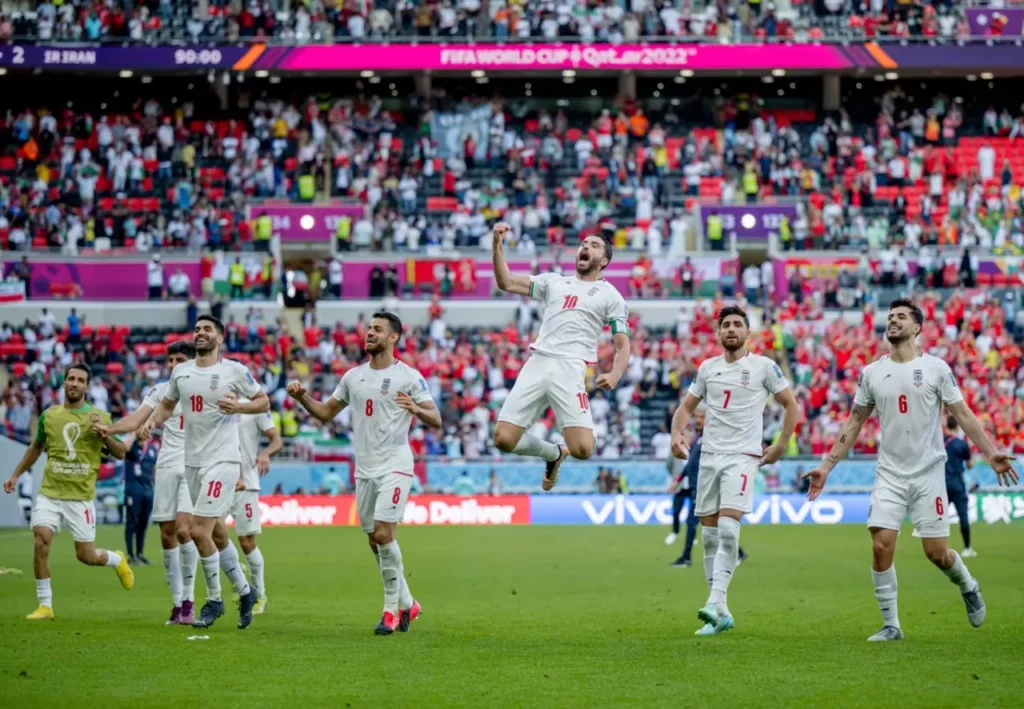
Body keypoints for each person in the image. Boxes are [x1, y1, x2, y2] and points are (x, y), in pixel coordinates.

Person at [803, 299, 1018, 642]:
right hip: (890, 472)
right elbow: (855, 421)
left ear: (917, 327)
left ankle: (967, 584)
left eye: (901, 317)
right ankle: (892, 625)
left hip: (929, 471)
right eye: (890, 317)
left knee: (936, 553)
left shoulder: (935, 368)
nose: (893, 321)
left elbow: (962, 413)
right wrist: (827, 466)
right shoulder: (872, 372)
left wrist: (990, 453)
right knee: (881, 544)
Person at [287, 312, 441, 635]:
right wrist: (303, 398)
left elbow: (436, 418)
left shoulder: (410, 377)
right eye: (369, 328)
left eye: (377, 329)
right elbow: (326, 413)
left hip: (396, 464)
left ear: (394, 337)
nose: (369, 333)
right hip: (365, 469)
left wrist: (416, 409)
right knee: (375, 540)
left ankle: (389, 613)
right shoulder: (353, 377)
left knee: (385, 534)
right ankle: (408, 603)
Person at [670, 305, 799, 636]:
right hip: (710, 457)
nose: (731, 329)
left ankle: (714, 602)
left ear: (747, 333)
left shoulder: (764, 368)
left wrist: (781, 443)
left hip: (742, 456)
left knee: (728, 529)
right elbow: (686, 408)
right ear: (718, 333)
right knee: (710, 537)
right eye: (725, 324)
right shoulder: (708, 368)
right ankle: (721, 612)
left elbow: (790, 405)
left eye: (737, 325)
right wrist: (676, 435)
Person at [140, 315, 271, 630]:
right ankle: (245, 590)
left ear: (220, 338)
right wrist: (152, 421)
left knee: (196, 531)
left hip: (223, 461)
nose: (200, 333)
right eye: (197, 329)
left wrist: (239, 407)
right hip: (193, 462)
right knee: (215, 533)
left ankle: (214, 600)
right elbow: (168, 405)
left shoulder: (234, 371)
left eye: (207, 329)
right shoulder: (181, 372)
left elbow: (263, 400)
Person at [490, 222, 631, 490]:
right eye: (583, 244)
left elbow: (623, 345)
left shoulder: (611, 296)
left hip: (570, 368)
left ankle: (565, 451)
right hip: (538, 362)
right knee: (503, 439)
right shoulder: (553, 282)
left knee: (582, 449)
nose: (585, 247)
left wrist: (615, 373)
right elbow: (505, 281)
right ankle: (553, 454)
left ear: (604, 261)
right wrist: (496, 245)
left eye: (594, 245)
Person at [3, 363, 134, 619]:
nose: (74, 383)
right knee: (41, 539)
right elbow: (35, 448)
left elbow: (121, 452)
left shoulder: (100, 416)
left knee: (86, 556)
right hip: (50, 493)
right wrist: (16, 475)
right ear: (64, 383)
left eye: (80, 380)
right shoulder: (49, 415)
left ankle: (117, 560)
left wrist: (104, 435)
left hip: (80, 498)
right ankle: (45, 605)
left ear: (87, 386)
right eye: (71, 379)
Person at [94, 340, 199, 625]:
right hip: (166, 465)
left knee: (184, 530)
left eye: (179, 359)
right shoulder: (158, 391)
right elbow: (137, 419)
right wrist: (110, 428)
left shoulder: (203, 390)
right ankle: (177, 604)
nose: (173, 364)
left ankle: (189, 601)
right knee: (166, 534)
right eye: (170, 360)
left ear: (191, 362)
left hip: (194, 464)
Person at [666, 407, 749, 568]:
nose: (697, 420)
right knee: (716, 524)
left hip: (705, 488)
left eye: (701, 417)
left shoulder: (712, 439)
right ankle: (738, 552)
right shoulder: (699, 439)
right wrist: (678, 479)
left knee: (693, 523)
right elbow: (691, 464)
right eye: (696, 416)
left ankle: (686, 558)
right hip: (697, 487)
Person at [230, 405, 283, 615]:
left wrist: (265, 453)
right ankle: (237, 571)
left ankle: (260, 594)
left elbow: (277, 440)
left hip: (246, 484)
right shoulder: (214, 402)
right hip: (218, 480)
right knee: (203, 534)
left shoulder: (255, 407)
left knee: (246, 541)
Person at [943, 417, 976, 558]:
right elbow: (969, 465)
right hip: (957, 483)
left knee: (939, 516)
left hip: (941, 483)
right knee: (963, 516)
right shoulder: (962, 444)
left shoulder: (940, 442)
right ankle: (967, 548)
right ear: (957, 427)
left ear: (946, 426)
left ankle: (937, 546)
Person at [123, 435, 156, 566]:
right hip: (133, 490)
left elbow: (154, 468)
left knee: (143, 523)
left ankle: (140, 553)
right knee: (132, 522)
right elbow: (123, 447)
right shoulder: (130, 447)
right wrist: (133, 434)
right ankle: (131, 555)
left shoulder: (152, 448)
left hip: (148, 490)